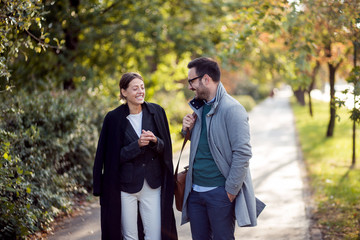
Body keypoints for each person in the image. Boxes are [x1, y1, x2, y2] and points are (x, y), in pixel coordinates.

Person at [181, 57, 265, 240]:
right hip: (195, 193)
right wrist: (186, 129)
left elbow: (243, 153)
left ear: (206, 79)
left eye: (191, 81)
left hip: (220, 193)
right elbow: (200, 144)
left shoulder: (233, 109)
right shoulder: (199, 108)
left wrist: (230, 191)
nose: (189, 87)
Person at [93, 72, 177, 240]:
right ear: (124, 92)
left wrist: (154, 141)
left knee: (154, 236)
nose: (140, 91)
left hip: (153, 184)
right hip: (125, 187)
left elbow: (165, 148)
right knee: (129, 236)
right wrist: (136, 145)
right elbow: (112, 158)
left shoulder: (157, 112)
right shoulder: (113, 118)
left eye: (142, 87)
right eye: (135, 88)